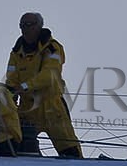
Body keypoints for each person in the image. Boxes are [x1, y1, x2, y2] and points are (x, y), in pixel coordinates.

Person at [5, 12, 81, 157]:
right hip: (27, 107)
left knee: (68, 147)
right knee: (20, 142)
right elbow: (11, 79)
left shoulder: (52, 48)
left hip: (52, 105)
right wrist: (10, 96)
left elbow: (49, 74)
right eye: (22, 25)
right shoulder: (16, 52)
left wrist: (24, 87)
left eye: (29, 25)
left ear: (39, 26)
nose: (25, 29)